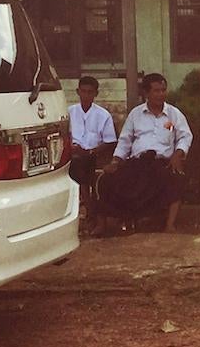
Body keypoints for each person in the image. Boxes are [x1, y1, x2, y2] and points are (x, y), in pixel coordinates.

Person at [98, 73, 193, 233]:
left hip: (162, 162)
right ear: (146, 93)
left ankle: (170, 225)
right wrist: (115, 161)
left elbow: (185, 135)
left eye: (163, 90)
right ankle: (108, 225)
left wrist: (178, 154)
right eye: (156, 91)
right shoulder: (136, 114)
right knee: (108, 181)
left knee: (176, 179)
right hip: (137, 163)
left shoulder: (174, 114)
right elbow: (125, 140)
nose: (161, 94)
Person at [68, 76, 117, 233]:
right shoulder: (70, 112)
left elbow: (110, 141)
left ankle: (90, 213)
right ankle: (84, 213)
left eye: (90, 92)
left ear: (96, 93)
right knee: (76, 164)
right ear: (78, 92)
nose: (86, 95)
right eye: (83, 91)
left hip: (93, 155)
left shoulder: (103, 115)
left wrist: (91, 151)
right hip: (73, 155)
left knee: (83, 168)